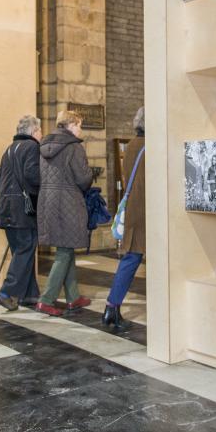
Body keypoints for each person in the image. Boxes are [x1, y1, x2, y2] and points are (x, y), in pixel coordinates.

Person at [34, 110, 94, 317]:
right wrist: (90, 173)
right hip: (67, 200)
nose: (80, 129)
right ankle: (47, 299)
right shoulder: (74, 147)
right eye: (79, 125)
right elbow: (83, 179)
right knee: (64, 251)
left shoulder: (43, 146)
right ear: (70, 125)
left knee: (65, 247)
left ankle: (73, 296)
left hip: (48, 201)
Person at [0, 115, 43, 311]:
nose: (41, 134)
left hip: (6, 207)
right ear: (32, 132)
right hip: (23, 210)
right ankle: (6, 292)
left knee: (21, 251)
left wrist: (9, 197)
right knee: (26, 248)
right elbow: (32, 176)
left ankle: (29, 294)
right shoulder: (31, 147)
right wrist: (41, 191)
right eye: (39, 131)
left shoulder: (9, 149)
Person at [103, 108, 146, 331]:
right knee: (136, 258)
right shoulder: (151, 147)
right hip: (147, 210)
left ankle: (112, 306)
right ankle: (112, 307)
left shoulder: (130, 146)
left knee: (131, 258)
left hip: (133, 210)